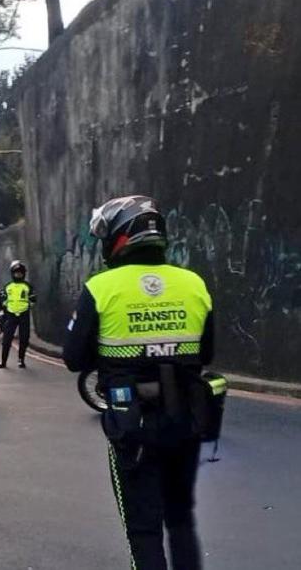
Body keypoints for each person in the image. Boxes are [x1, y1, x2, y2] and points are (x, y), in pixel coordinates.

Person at [63, 195, 215, 570]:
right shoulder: (194, 283)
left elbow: (74, 359)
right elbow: (206, 352)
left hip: (134, 427)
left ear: (117, 238)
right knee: (180, 520)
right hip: (185, 422)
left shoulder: (101, 288)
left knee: (143, 529)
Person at [0, 260, 36, 368]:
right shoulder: (8, 286)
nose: (18, 275)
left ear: (24, 274)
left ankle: (21, 360)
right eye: (16, 273)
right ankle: (3, 361)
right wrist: (6, 305)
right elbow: (3, 298)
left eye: (20, 273)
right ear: (12, 274)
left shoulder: (28, 286)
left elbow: (33, 299)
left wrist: (29, 304)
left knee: (24, 338)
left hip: (24, 315)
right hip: (11, 315)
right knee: (7, 339)